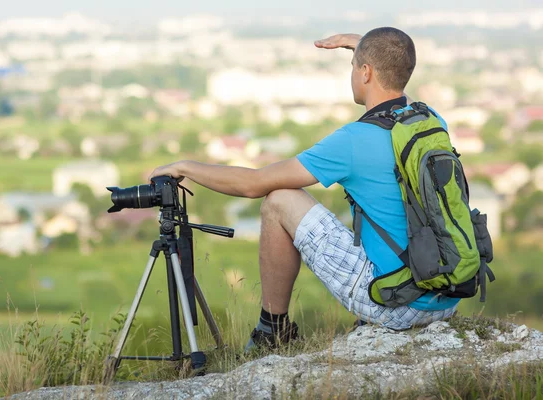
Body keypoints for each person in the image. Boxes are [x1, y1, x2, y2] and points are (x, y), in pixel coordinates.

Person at [148, 27, 459, 351]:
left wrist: (185, 167)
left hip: (399, 307)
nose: (352, 72)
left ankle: (272, 330)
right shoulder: (430, 120)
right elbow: (392, 67)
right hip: (444, 296)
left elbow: (254, 184)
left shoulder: (352, 142)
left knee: (279, 200)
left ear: (365, 72)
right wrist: (364, 47)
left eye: (356, 65)